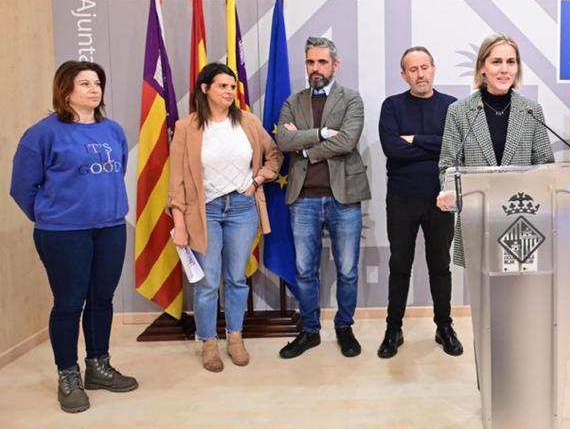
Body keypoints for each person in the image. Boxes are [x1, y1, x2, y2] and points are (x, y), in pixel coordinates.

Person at [10, 61, 138, 413]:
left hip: (110, 228)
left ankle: (98, 366)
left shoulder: (112, 131)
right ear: (65, 90)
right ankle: (68, 374)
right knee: (69, 303)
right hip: (63, 234)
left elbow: (118, 171)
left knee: (102, 300)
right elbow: (22, 186)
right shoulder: (43, 133)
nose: (94, 89)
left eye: (97, 83)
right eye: (85, 83)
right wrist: (52, 215)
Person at [168, 63, 282, 373]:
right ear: (205, 89)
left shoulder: (248, 121)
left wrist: (258, 180)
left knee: (235, 278)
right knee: (207, 282)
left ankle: (235, 337)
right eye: (223, 86)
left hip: (242, 209)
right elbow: (176, 180)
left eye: (232, 87)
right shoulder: (186, 127)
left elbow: (274, 155)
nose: (230, 92)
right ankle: (208, 342)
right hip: (205, 212)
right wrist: (178, 222)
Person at [276, 37, 371, 359]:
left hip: (343, 196)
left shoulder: (351, 100)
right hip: (303, 198)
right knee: (305, 270)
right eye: (310, 63)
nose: (316, 69)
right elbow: (283, 139)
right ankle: (310, 330)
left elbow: (346, 141)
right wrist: (320, 134)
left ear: (335, 65)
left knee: (347, 270)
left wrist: (305, 148)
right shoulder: (294, 101)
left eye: (322, 62)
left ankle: (344, 327)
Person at [436, 33, 555, 267]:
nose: (504, 69)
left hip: (522, 220)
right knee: (483, 297)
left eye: (511, 62)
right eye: (496, 62)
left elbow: (545, 165)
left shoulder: (531, 111)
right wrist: (450, 192)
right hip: (477, 219)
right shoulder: (459, 111)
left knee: (517, 297)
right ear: (482, 67)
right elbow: (448, 166)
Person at [377, 46, 462, 359]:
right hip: (401, 199)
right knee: (400, 265)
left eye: (424, 67)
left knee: (440, 265)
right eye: (412, 69)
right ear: (403, 75)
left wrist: (414, 139)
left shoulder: (453, 107)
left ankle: (444, 326)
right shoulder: (392, 106)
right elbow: (392, 149)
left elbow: (455, 150)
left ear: (434, 69)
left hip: (441, 198)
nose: (420, 74)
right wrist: (433, 146)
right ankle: (393, 328)